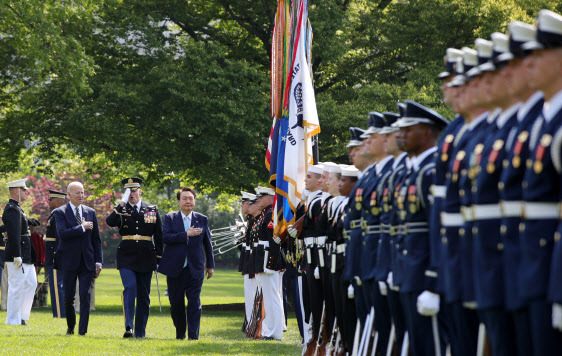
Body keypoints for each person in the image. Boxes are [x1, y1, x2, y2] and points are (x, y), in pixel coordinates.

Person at [106, 177, 163, 338]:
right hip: (126, 255)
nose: (131, 194)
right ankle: (129, 326)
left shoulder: (152, 209)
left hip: (146, 255)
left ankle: (140, 331)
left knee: (144, 295)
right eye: (128, 191)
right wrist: (121, 204)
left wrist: (158, 258)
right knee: (130, 288)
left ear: (140, 191)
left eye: (133, 190)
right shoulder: (121, 209)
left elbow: (159, 236)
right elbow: (110, 222)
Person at [158, 187, 215, 340]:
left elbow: (207, 243)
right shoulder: (170, 218)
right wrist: (186, 234)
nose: (188, 201)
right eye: (185, 198)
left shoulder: (202, 219)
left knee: (194, 302)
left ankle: (193, 336)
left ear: (194, 201)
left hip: (195, 268)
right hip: (175, 269)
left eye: (191, 198)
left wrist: (210, 265)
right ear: (178, 201)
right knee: (176, 305)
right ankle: (180, 333)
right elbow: (166, 238)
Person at [54, 181, 103, 335]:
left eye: (82, 192)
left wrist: (98, 261)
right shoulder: (60, 212)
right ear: (68, 195)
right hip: (68, 261)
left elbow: (96, 239)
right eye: (77, 192)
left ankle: (82, 331)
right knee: (68, 297)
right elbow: (62, 234)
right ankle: (71, 327)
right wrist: (81, 227)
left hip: (86, 261)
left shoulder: (90, 212)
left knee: (85, 295)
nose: (81, 195)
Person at [252, 186, 286, 341]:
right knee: (269, 295)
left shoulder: (270, 215)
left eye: (261, 196)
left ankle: (275, 332)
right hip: (263, 259)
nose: (258, 200)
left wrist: (271, 263)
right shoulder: (264, 216)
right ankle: (269, 329)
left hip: (268, 260)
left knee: (272, 296)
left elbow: (274, 242)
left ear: (270, 198)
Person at [3, 178, 36, 326]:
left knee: (31, 283)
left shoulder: (17, 208)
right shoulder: (12, 208)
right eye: (23, 189)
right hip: (18, 253)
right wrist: (17, 255)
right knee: (16, 286)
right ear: (16, 191)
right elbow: (14, 234)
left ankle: (21, 316)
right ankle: (12, 320)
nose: (26, 192)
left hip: (25, 253)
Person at [45, 189, 67, 318]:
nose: (49, 202)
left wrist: (56, 255)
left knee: (57, 286)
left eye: (51, 200)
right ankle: (59, 313)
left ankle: (60, 314)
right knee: (56, 286)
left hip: (56, 256)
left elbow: (59, 238)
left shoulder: (58, 215)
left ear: (58, 201)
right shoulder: (54, 215)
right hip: (54, 256)